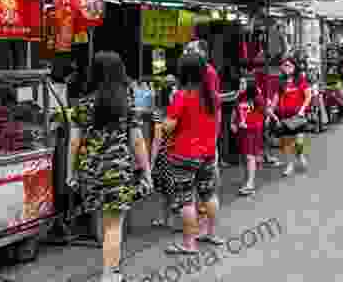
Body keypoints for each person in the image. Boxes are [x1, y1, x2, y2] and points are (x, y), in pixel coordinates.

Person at [67, 51, 153, 282]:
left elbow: (74, 142)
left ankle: (112, 271)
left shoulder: (82, 104)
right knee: (114, 226)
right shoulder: (126, 102)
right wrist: (146, 171)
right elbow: (137, 140)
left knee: (105, 226)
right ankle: (109, 275)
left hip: (91, 172)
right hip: (118, 171)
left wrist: (71, 172)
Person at [163, 53, 225, 254]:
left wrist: (164, 122)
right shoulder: (213, 96)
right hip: (207, 153)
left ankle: (189, 243)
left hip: (184, 155)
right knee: (209, 194)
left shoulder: (182, 96)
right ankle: (211, 233)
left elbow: (169, 126)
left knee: (186, 199)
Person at [271, 56, 312, 176]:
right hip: (284, 117)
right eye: (284, 65)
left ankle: (299, 154)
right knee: (287, 144)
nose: (286, 68)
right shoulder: (280, 82)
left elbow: (308, 96)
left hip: (298, 118)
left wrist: (302, 110)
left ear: (294, 67)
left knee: (299, 143)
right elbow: (275, 99)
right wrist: (270, 112)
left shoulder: (300, 80)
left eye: (289, 65)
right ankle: (290, 165)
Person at [231, 77, 265, 195]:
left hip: (252, 131)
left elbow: (262, 113)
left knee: (250, 157)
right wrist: (234, 123)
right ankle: (247, 179)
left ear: (249, 84)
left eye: (243, 83)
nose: (240, 85)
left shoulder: (257, 98)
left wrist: (251, 123)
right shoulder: (239, 97)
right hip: (242, 132)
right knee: (244, 157)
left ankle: (250, 183)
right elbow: (235, 111)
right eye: (240, 83)